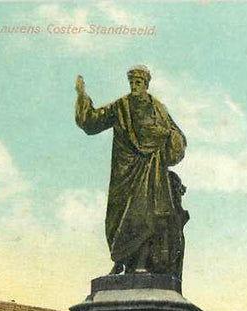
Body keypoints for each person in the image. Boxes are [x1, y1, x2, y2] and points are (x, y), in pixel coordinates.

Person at [75, 66, 189, 278]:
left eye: (139, 82)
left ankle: (139, 264)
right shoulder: (121, 107)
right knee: (117, 218)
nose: (135, 86)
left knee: (145, 217)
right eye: (132, 82)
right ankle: (121, 261)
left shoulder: (158, 109)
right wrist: (82, 96)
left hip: (150, 173)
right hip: (124, 173)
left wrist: (168, 137)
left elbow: (177, 137)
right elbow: (93, 122)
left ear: (146, 84)